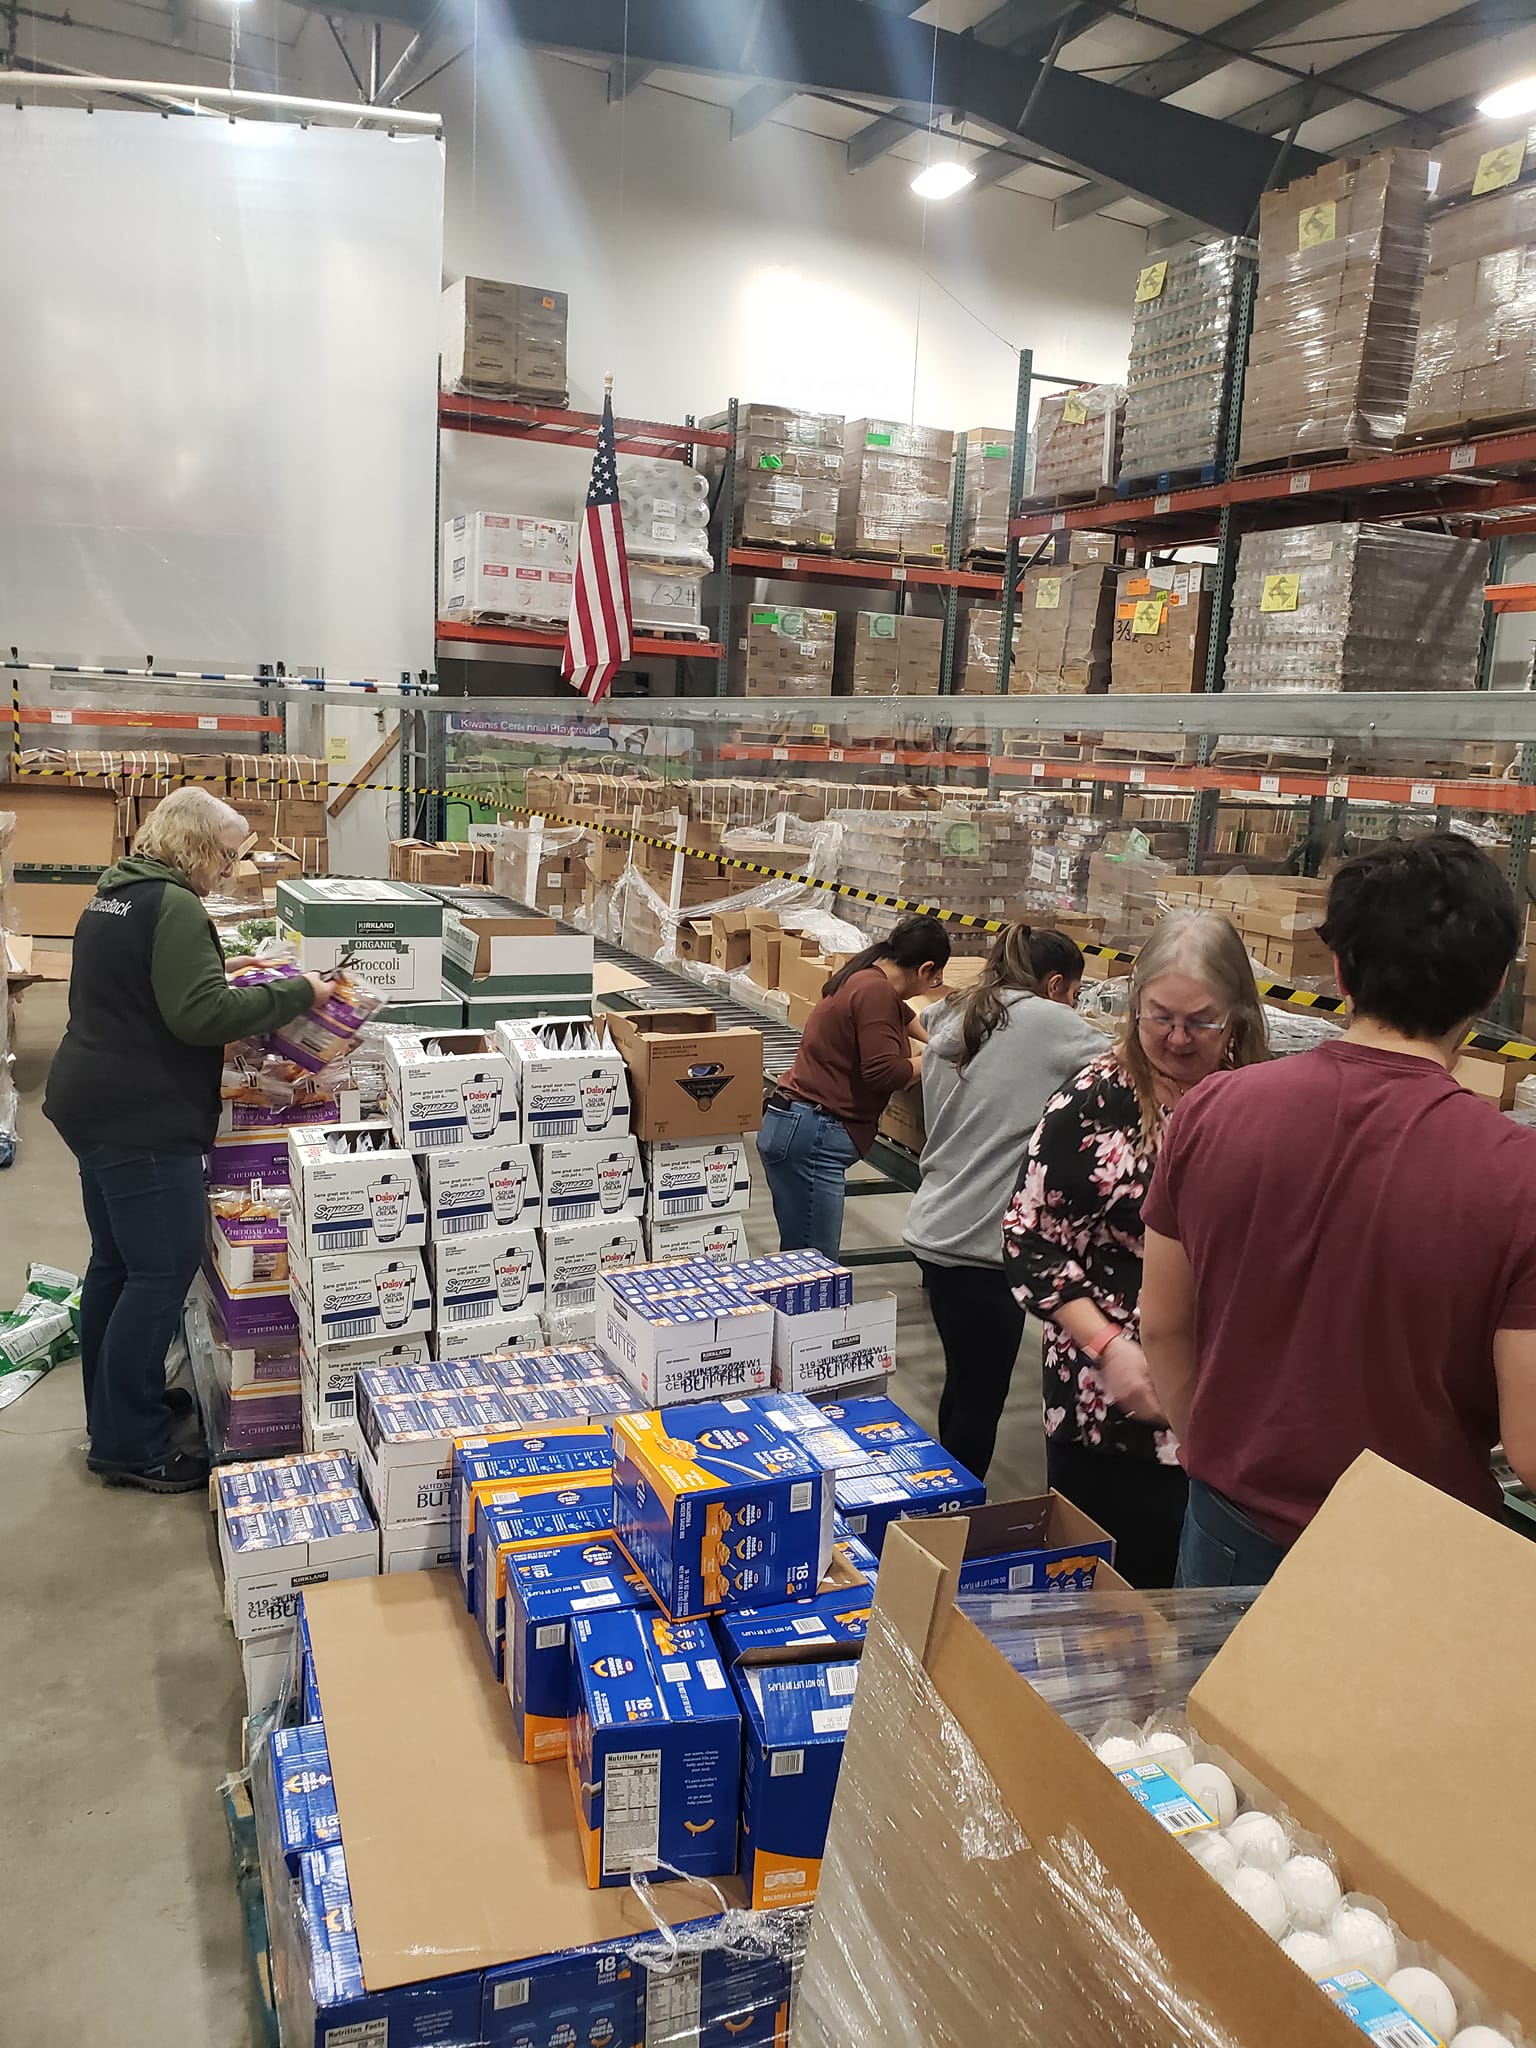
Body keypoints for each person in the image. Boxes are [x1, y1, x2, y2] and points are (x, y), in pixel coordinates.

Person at [1140, 834, 1536, 1587]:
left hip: (1233, 1526)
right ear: (1492, 989)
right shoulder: (1518, 1175)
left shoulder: (1212, 1111)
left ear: (1341, 972)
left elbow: (1161, 1325)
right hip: (1413, 1554)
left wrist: (1214, 1457)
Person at [44, 786, 331, 1495]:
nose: (232, 869)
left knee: (116, 1264)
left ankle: (118, 1408)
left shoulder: (116, 892)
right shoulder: (173, 904)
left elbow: (145, 987)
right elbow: (198, 1016)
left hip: (91, 1098)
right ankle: (132, 1447)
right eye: (227, 855)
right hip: (139, 1117)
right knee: (160, 1270)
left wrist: (225, 973)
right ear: (197, 846)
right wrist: (300, 994)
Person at [1001, 910, 1268, 1587]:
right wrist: (1109, 1346)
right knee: (1117, 1609)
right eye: (1160, 1017)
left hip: (1226, 1413)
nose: (1177, 1039)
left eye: (1200, 1022)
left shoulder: (1258, 1101)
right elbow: (1029, 1239)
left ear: (1236, 1015)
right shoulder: (1093, 1104)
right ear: (1135, 1004)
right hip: (1115, 1412)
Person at [904, 925, 1104, 1480]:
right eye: (1074, 995)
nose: (1073, 1007)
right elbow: (1133, 1064)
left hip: (935, 1222)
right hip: (983, 1241)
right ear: (1056, 984)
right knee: (980, 1399)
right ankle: (952, 1512)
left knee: (964, 1383)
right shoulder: (1048, 1020)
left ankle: (943, 1496)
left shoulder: (958, 1010)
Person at [757, 914, 950, 1258]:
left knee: (801, 1258)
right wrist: (939, 1056)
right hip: (814, 1133)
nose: (932, 986)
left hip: (796, 1124)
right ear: (925, 969)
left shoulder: (865, 976)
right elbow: (884, 1073)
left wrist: (939, 1038)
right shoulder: (875, 991)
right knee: (814, 1266)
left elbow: (902, 1015)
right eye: (935, 980)